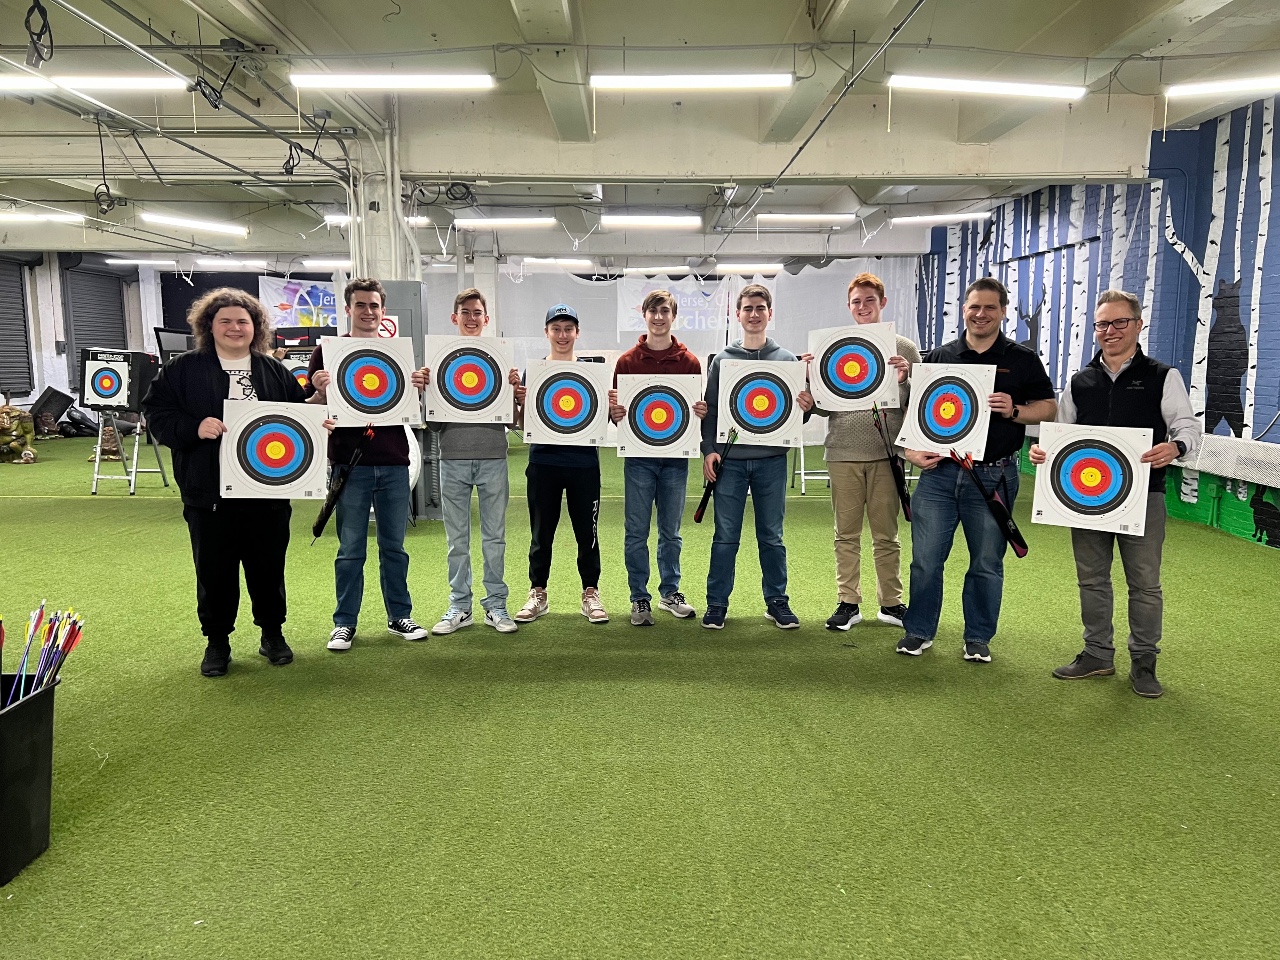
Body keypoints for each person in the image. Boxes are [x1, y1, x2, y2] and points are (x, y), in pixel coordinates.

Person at [1030, 290, 1201, 698]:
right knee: (1091, 579)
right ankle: (1097, 654)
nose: (1110, 331)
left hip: (1144, 496)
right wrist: (1043, 451)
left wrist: (1176, 447)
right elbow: (1061, 434)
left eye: (1120, 322)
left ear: (1138, 325)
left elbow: (1188, 427)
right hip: (1084, 499)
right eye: (1102, 324)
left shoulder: (1162, 376)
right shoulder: (1080, 381)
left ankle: (1144, 661)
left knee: (1145, 583)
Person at [143, 287, 308, 678]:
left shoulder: (273, 370)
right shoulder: (182, 369)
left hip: (268, 492)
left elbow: (297, 415)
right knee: (214, 572)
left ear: (256, 327)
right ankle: (217, 642)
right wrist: (193, 427)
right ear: (209, 326)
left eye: (243, 321)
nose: (235, 328)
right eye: (226, 321)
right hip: (208, 493)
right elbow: (156, 414)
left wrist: (318, 422)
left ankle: (272, 634)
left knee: (268, 568)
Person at [899, 276, 1057, 663]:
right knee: (925, 560)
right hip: (939, 475)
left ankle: (978, 637)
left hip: (993, 476)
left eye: (989, 307)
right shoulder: (940, 356)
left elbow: (1048, 408)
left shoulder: (1022, 359)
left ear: (1003, 312)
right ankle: (918, 631)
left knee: (986, 562)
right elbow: (916, 413)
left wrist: (1015, 410)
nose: (981, 314)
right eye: (974, 306)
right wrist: (911, 452)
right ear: (964, 310)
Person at [306, 278, 429, 652]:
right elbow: (307, 411)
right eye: (360, 305)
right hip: (349, 464)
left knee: (395, 547)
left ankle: (399, 616)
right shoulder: (327, 353)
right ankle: (344, 623)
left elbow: (409, 405)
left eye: (374, 305)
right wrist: (318, 392)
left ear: (383, 310)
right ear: (348, 309)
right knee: (350, 549)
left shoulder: (397, 354)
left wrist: (418, 384)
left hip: (393, 463)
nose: (368, 311)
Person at [809, 272, 920, 631]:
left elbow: (920, 402)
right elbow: (822, 406)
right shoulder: (833, 347)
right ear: (849, 306)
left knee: (886, 535)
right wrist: (809, 385)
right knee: (846, 534)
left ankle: (891, 603)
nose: (863, 306)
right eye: (856, 301)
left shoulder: (904, 348)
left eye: (869, 300)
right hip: (842, 451)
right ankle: (848, 603)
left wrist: (905, 380)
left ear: (882, 302)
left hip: (888, 453)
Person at [700, 283, 814, 630]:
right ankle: (717, 602)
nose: (753, 314)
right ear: (738, 315)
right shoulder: (722, 360)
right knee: (725, 535)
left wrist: (806, 408)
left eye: (760, 308)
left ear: (769, 313)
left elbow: (794, 417)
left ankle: (777, 601)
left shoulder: (787, 360)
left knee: (772, 535)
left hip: (772, 461)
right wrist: (709, 450)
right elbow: (712, 409)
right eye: (747, 308)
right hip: (730, 461)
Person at [425, 288, 525, 636]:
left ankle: (496, 605)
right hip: (452, 458)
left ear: (486, 318)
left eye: (477, 312)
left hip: (493, 457)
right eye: (465, 312)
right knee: (457, 540)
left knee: (494, 538)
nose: (471, 318)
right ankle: (460, 606)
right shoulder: (440, 362)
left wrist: (514, 393)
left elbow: (512, 422)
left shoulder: (500, 361)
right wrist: (427, 389)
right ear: (455, 318)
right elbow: (433, 423)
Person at [608, 289, 708, 626]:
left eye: (664, 311)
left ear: (673, 316)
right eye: (653, 311)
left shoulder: (690, 362)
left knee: (671, 532)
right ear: (644, 315)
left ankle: (670, 592)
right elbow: (617, 415)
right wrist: (614, 413)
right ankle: (639, 597)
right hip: (639, 458)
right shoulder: (627, 362)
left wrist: (701, 411)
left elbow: (692, 412)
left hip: (676, 459)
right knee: (636, 532)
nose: (659, 317)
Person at [515, 304, 609, 624]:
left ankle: (590, 592)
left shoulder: (590, 373)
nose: (563, 335)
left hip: (583, 463)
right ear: (547, 332)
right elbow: (523, 423)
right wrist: (520, 402)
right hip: (543, 461)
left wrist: (609, 404)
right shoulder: (534, 371)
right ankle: (537, 592)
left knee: (587, 533)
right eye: (556, 328)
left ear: (577, 333)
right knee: (541, 533)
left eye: (569, 329)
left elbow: (599, 419)